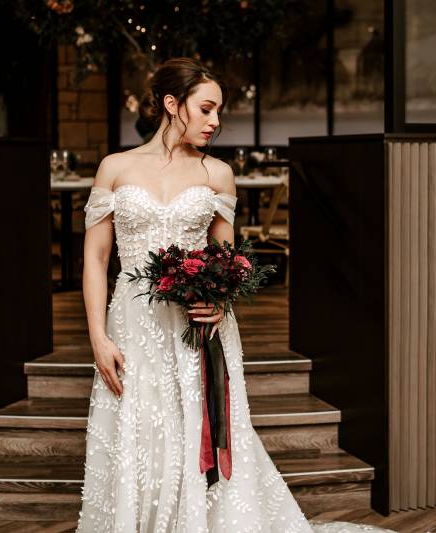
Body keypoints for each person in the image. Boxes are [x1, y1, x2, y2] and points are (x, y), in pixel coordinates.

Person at [77, 57, 395, 533]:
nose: (215, 121)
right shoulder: (115, 168)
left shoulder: (217, 175)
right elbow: (96, 259)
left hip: (197, 326)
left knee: (193, 430)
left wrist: (220, 303)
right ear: (171, 104)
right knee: (139, 432)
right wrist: (98, 337)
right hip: (133, 324)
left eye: (218, 111)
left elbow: (227, 263)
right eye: (206, 109)